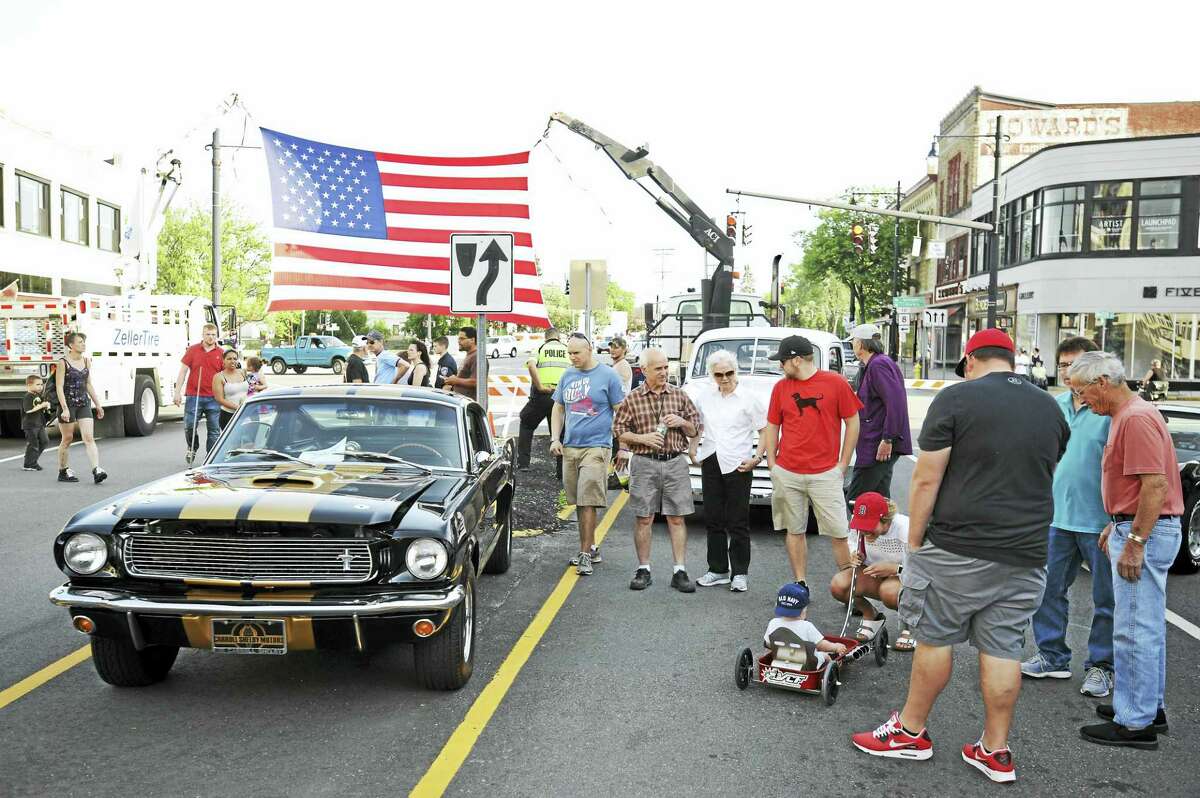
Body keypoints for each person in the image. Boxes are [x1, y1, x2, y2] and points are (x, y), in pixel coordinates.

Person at [850, 328, 1068, 784]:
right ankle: (995, 749)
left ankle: (910, 733)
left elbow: (926, 479)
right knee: (1004, 647)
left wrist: (914, 545)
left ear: (970, 360)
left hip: (957, 547)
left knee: (933, 636)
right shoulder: (1051, 407)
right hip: (1026, 551)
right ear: (1011, 359)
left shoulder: (956, 400)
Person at [1071, 351, 1183, 751]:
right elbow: (1140, 486)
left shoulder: (1133, 418)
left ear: (1103, 382)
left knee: (1134, 628)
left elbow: (1155, 486)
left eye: (1083, 392)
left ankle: (1135, 722)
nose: (1083, 401)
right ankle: (1147, 708)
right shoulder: (1130, 414)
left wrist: (1134, 540)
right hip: (1136, 525)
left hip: (1145, 533)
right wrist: (1116, 521)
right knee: (1144, 625)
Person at [1021, 337, 1115, 697]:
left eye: (1075, 364)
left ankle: (1101, 667)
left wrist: (1119, 517)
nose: (1068, 372)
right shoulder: (1052, 406)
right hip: (1055, 518)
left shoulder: (1108, 410)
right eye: (1062, 365)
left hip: (1100, 522)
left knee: (1106, 600)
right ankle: (1052, 656)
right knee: (1047, 590)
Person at [762, 335, 862, 586]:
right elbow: (773, 425)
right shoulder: (781, 388)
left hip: (825, 473)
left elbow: (853, 422)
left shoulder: (835, 383)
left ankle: (851, 590)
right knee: (794, 531)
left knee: (839, 533)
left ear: (796, 360)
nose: (779, 366)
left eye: (782, 361)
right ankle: (801, 583)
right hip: (788, 472)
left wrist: (843, 463)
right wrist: (772, 463)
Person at [613, 347, 701, 592]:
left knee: (676, 517)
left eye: (666, 367)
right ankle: (644, 569)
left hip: (674, 462)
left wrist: (682, 422)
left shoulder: (679, 395)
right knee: (644, 517)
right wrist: (644, 439)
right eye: (658, 368)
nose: (664, 372)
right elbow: (619, 429)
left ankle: (679, 571)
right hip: (644, 463)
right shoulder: (633, 398)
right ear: (644, 370)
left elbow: (695, 428)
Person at [685, 349, 766, 593]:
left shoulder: (749, 398)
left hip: (738, 464)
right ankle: (718, 569)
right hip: (711, 459)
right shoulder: (705, 397)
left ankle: (740, 573)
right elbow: (699, 425)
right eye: (719, 374)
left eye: (729, 373)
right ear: (712, 375)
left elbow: (764, 430)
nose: (725, 378)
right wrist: (692, 448)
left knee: (738, 520)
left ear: (735, 371)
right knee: (713, 518)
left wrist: (757, 458)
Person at [550, 334, 627, 576]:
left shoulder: (608, 375)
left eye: (577, 353)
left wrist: (622, 446)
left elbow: (620, 412)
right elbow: (558, 406)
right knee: (577, 501)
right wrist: (555, 438)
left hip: (597, 446)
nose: (572, 357)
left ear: (589, 349)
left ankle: (584, 553)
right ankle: (591, 548)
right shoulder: (568, 375)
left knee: (587, 499)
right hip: (571, 446)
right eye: (569, 353)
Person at [830, 492, 914, 648]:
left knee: (888, 591)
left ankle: (911, 626)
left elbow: (924, 567)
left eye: (869, 526)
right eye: (861, 525)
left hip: (907, 578)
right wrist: (854, 554)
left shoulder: (904, 527)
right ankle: (871, 615)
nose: (864, 531)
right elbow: (852, 542)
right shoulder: (860, 527)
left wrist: (895, 568)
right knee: (839, 585)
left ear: (885, 520)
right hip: (875, 573)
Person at [846, 323, 912, 503]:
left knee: (856, 500)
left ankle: (860, 531)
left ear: (861, 344)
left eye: (853, 342)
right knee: (880, 501)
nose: (852, 345)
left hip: (877, 444)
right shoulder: (874, 364)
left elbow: (895, 402)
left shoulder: (878, 365)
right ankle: (885, 531)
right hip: (875, 442)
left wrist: (888, 438)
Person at [56, 331, 108, 484]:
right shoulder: (63, 363)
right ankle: (63, 470)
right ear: (71, 345)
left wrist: (98, 405)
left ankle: (96, 469)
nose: (83, 344)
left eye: (84, 342)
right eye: (80, 342)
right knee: (67, 438)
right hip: (68, 404)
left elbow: (88, 384)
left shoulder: (86, 361)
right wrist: (64, 408)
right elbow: (59, 387)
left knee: (89, 438)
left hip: (83, 403)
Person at [763, 583, 848, 669]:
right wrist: (836, 647)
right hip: (805, 665)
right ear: (803, 611)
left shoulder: (773, 623)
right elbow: (821, 645)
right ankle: (833, 669)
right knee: (824, 655)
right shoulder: (807, 626)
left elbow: (768, 644)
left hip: (780, 661)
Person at [174, 323, 225, 463]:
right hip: (193, 396)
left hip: (214, 397)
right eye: (208, 334)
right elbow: (183, 371)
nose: (211, 337)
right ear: (203, 335)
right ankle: (192, 447)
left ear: (217, 336)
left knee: (214, 430)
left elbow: (226, 375)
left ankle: (210, 457)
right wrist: (177, 392)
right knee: (189, 426)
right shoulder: (193, 350)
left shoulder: (221, 353)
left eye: (213, 335)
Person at [517, 328, 567, 471]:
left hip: (542, 396)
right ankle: (561, 471)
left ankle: (523, 463)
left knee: (526, 423)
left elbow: (531, 365)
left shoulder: (540, 348)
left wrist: (540, 386)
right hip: (561, 397)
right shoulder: (566, 350)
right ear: (558, 338)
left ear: (546, 338)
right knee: (560, 433)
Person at [20, 374, 51, 472]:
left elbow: (42, 407)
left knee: (44, 441)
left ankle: (31, 459)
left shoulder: (37, 396)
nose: (40, 387)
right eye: (37, 384)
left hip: (39, 424)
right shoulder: (28, 397)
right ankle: (29, 464)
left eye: (41, 384)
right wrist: (42, 405)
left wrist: (46, 406)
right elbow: (28, 410)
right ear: (29, 385)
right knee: (33, 444)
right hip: (30, 425)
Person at [213, 349, 248, 429]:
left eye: (235, 359)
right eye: (229, 359)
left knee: (249, 440)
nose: (232, 361)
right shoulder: (218, 377)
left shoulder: (242, 372)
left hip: (246, 413)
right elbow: (219, 399)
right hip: (228, 415)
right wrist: (238, 408)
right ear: (223, 361)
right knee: (233, 441)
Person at [442, 327, 478, 399]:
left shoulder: (476, 357)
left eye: (462, 339)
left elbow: (476, 382)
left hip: (471, 405)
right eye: (458, 339)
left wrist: (455, 380)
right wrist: (454, 379)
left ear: (472, 340)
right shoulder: (469, 355)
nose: (458, 341)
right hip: (462, 401)